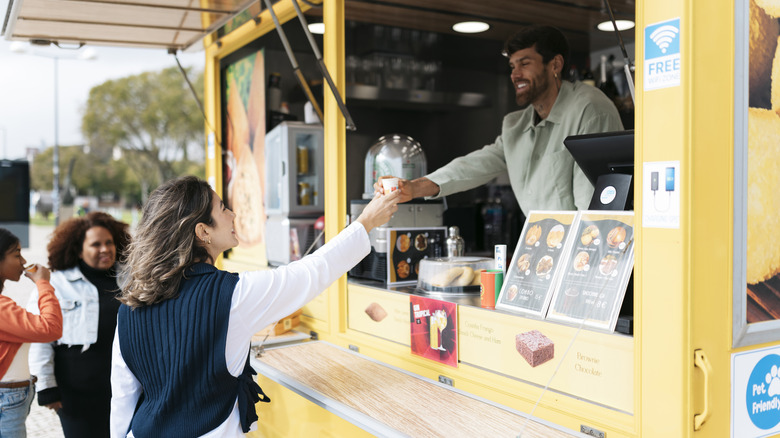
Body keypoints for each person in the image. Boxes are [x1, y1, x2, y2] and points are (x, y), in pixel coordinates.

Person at [110, 176, 399, 438]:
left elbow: (123, 396)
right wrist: (367, 221)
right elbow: (312, 273)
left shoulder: (130, 305)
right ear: (202, 231)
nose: (232, 214)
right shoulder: (232, 295)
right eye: (222, 208)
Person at [376, 25, 624, 214]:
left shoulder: (589, 109)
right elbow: (474, 166)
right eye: (512, 66)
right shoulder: (515, 125)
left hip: (583, 256)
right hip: (544, 250)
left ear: (555, 64)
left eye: (525, 64)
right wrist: (413, 187)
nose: (515, 74)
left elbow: (594, 207)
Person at [27, 212, 131, 438]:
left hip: (127, 390)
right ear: (78, 249)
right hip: (77, 394)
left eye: (109, 242)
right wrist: (46, 387)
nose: (105, 249)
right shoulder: (55, 284)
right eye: (95, 244)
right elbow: (40, 338)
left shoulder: (133, 279)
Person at [0, 228, 62, 438]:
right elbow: (50, 328)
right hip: (6, 399)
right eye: (16, 254)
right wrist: (43, 284)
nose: (23, 260)